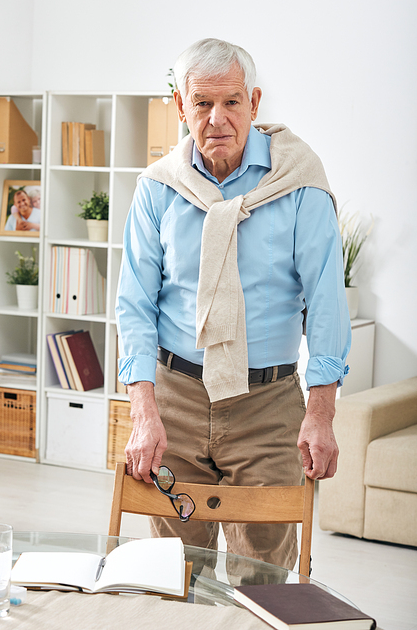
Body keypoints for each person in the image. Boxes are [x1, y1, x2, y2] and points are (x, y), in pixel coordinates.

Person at [115, 38, 351, 570]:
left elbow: (327, 302)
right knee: (172, 569)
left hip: (266, 407)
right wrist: (143, 412)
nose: (217, 118)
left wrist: (321, 413)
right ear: (181, 106)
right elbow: (134, 304)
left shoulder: (299, 185)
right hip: (173, 399)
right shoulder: (157, 189)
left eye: (232, 102)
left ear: (255, 102)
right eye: (202, 103)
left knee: (260, 576)